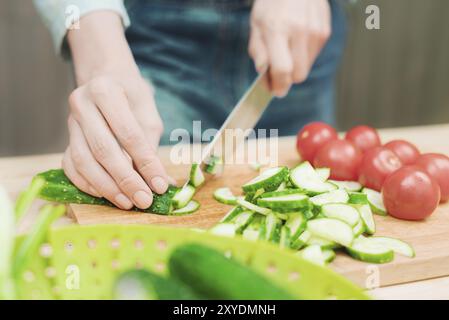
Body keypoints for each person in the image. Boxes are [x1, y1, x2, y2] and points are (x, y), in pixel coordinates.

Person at [34, 0, 347, 210]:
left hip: (297, 30)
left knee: (302, 199)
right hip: (151, 33)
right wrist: (99, 53)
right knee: (128, 178)